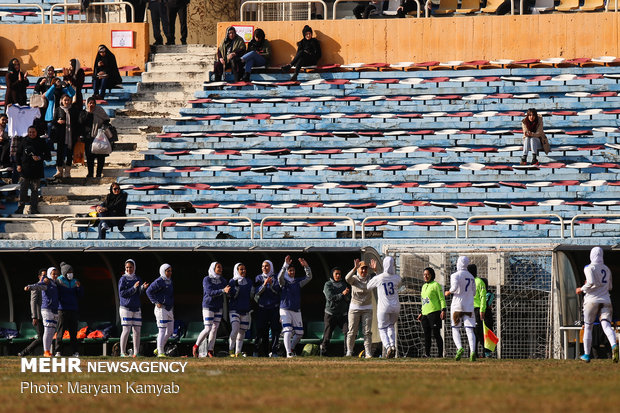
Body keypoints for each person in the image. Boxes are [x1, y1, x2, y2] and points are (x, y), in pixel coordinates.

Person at [576, 247, 618, 363]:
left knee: (588, 327)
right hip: (606, 300)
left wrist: (581, 289)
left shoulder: (589, 268)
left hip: (591, 300)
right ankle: (614, 345)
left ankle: (587, 355)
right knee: (606, 326)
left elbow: (590, 282)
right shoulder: (607, 269)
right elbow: (610, 287)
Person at [193, 262, 231, 358]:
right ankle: (195, 346)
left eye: (221, 267)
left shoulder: (223, 280)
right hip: (208, 306)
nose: (220, 269)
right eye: (218, 267)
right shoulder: (207, 279)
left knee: (214, 329)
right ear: (213, 268)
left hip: (218, 307)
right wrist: (223, 290)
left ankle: (210, 350)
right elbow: (210, 292)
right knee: (208, 328)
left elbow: (227, 291)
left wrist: (229, 292)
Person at [277, 255, 313, 358]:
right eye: (290, 270)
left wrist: (306, 266)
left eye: (293, 270)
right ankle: (288, 353)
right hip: (285, 309)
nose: (292, 272)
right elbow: (279, 277)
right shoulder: (283, 282)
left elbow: (309, 277)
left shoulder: (298, 282)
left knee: (300, 333)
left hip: (296, 310)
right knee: (287, 330)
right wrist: (285, 265)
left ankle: (291, 349)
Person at [367, 256, 402, 358]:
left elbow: (368, 286)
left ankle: (388, 347)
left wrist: (375, 273)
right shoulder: (397, 278)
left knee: (382, 328)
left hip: (383, 307)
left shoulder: (379, 277)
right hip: (395, 307)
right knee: (391, 326)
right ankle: (393, 346)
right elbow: (398, 285)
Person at [445, 256, 477, 362]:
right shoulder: (472, 277)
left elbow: (454, 288)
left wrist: (448, 292)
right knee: (469, 329)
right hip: (469, 305)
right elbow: (474, 292)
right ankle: (472, 351)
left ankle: (459, 348)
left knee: (455, 328)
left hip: (457, 305)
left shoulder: (455, 275)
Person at [24, 267, 60, 357]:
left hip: (54, 309)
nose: (55, 276)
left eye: (56, 274)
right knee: (47, 330)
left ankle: (48, 351)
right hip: (47, 308)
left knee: (52, 331)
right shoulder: (46, 282)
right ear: (49, 274)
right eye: (53, 274)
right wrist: (30, 287)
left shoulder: (56, 283)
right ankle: (46, 351)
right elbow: (38, 285)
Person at [15, 126, 51, 215]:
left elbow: (48, 156)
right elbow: (18, 154)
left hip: (36, 171)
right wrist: (18, 165)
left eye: (33, 132)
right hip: (25, 170)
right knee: (23, 191)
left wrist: (39, 157)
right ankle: (20, 208)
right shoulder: (24, 141)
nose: (31, 134)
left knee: (35, 192)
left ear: (36, 132)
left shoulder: (41, 142)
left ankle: (33, 209)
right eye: (30, 132)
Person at [345, 259, 375, 358]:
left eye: (365, 269)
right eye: (362, 269)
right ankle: (349, 351)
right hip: (355, 307)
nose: (363, 271)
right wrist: (354, 268)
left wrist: (375, 270)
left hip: (367, 307)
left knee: (367, 332)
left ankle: (368, 352)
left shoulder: (370, 278)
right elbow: (346, 278)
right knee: (352, 331)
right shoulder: (354, 279)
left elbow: (379, 279)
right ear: (358, 269)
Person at [118, 259, 149, 357]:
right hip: (125, 308)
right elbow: (122, 293)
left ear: (134, 267)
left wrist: (142, 288)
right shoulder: (123, 279)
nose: (129, 269)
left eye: (130, 267)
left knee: (137, 330)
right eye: (127, 267)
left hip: (136, 307)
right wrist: (134, 288)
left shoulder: (137, 278)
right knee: (126, 330)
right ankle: (122, 352)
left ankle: (136, 352)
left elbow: (138, 293)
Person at [253, 259, 282, 357]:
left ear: (271, 267)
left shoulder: (276, 277)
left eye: (266, 266)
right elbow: (256, 292)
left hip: (274, 308)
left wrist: (271, 284)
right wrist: (264, 285)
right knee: (261, 330)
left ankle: (274, 352)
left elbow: (277, 291)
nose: (264, 268)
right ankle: (258, 352)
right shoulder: (258, 278)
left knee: (275, 330)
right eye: (263, 266)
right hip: (262, 309)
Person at [320, 267, 350, 357]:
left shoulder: (344, 285)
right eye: (336, 274)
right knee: (327, 335)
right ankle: (323, 352)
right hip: (330, 314)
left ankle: (347, 353)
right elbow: (331, 298)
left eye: (339, 274)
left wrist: (346, 296)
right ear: (332, 274)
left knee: (347, 332)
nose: (338, 276)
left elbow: (348, 299)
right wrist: (342, 294)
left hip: (342, 314)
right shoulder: (328, 285)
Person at [146, 263, 174, 358]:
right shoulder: (159, 281)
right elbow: (148, 291)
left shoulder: (169, 281)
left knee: (170, 330)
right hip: (161, 309)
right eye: (168, 271)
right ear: (163, 271)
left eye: (170, 271)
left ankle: (159, 347)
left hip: (169, 308)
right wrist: (155, 302)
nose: (170, 273)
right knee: (162, 330)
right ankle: (160, 352)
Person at [417, 267, 446, 358]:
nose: (425, 276)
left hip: (434, 313)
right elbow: (423, 301)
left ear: (431, 275)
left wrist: (443, 310)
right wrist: (421, 312)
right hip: (425, 314)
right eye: (424, 274)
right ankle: (427, 354)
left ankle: (440, 354)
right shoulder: (423, 286)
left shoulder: (436, 285)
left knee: (436, 334)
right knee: (426, 335)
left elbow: (442, 298)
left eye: (427, 274)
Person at [55, 262, 83, 357]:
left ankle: (75, 351)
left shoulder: (75, 282)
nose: (70, 273)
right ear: (64, 272)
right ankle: (58, 351)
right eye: (69, 272)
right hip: (62, 310)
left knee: (73, 333)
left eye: (72, 271)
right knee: (60, 332)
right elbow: (56, 295)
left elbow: (80, 295)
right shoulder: (59, 281)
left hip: (73, 310)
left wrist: (79, 287)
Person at [79, 97, 110, 178]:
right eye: (90, 103)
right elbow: (81, 122)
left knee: (101, 156)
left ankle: (99, 173)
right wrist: (89, 112)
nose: (91, 104)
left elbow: (106, 120)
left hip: (99, 136)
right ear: (87, 104)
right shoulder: (83, 112)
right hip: (88, 137)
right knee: (90, 157)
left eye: (93, 103)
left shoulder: (100, 111)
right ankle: (90, 173)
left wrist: (102, 127)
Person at [18, 268, 47, 357]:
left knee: (47, 337)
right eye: (43, 275)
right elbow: (33, 302)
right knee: (41, 338)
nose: (45, 277)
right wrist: (34, 316)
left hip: (48, 315)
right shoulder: (36, 287)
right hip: (39, 316)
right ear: (39, 277)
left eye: (46, 276)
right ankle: (25, 352)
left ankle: (47, 353)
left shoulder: (49, 286)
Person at [227, 262, 253, 357]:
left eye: (244, 269)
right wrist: (237, 287)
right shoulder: (232, 281)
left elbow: (252, 295)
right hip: (234, 310)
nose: (243, 271)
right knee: (235, 330)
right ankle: (231, 350)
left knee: (242, 332)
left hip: (245, 310)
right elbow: (231, 295)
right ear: (236, 271)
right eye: (241, 269)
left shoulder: (249, 281)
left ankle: (238, 352)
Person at [52, 94, 79, 179]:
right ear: (61, 101)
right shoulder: (58, 110)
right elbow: (53, 122)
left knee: (69, 154)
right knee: (59, 154)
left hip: (71, 135)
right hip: (61, 135)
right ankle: (59, 171)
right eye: (65, 100)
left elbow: (78, 123)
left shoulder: (74, 110)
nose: (66, 102)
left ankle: (67, 172)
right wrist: (58, 122)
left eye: (68, 100)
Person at [468, 263, 488, 358]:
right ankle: (472, 353)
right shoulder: (466, 281)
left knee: (478, 332)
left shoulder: (479, 282)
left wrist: (482, 310)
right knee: (470, 332)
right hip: (468, 310)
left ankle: (485, 353)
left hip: (476, 310)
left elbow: (483, 297)